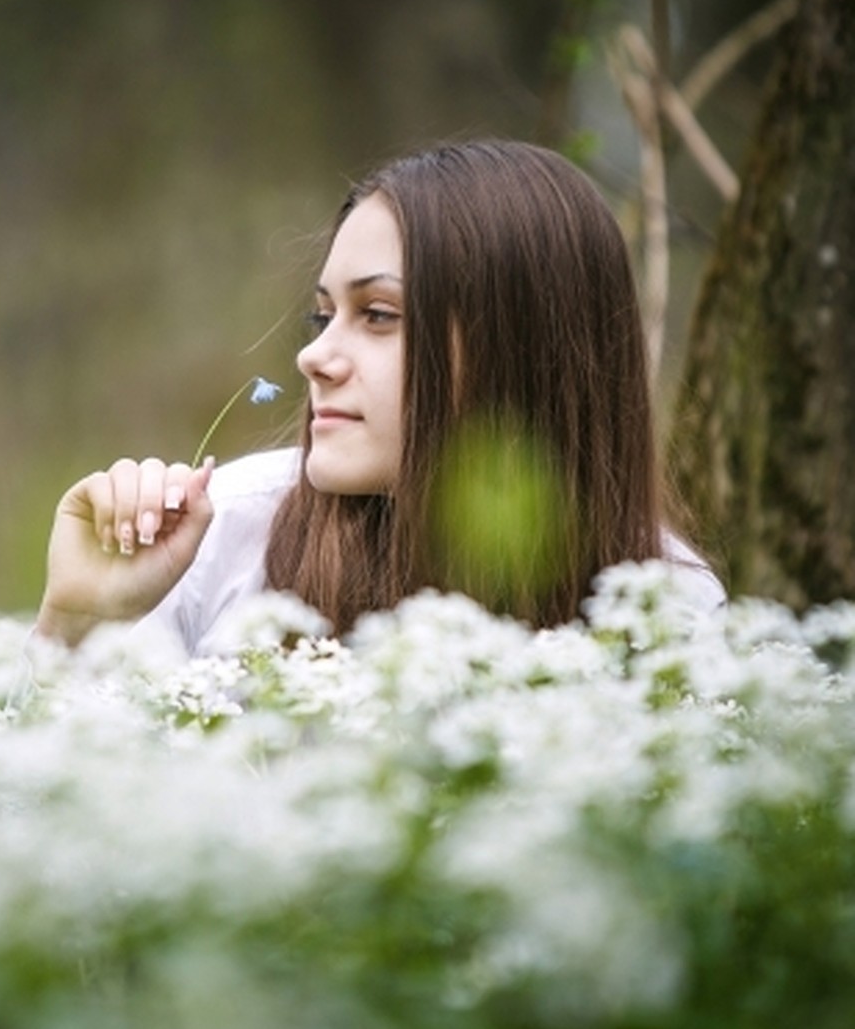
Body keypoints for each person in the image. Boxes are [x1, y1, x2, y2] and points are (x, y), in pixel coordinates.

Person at [36, 139, 723, 654]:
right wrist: (80, 625)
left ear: (520, 350)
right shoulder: (222, 537)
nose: (313, 357)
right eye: (322, 315)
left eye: (380, 316)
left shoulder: (667, 609)